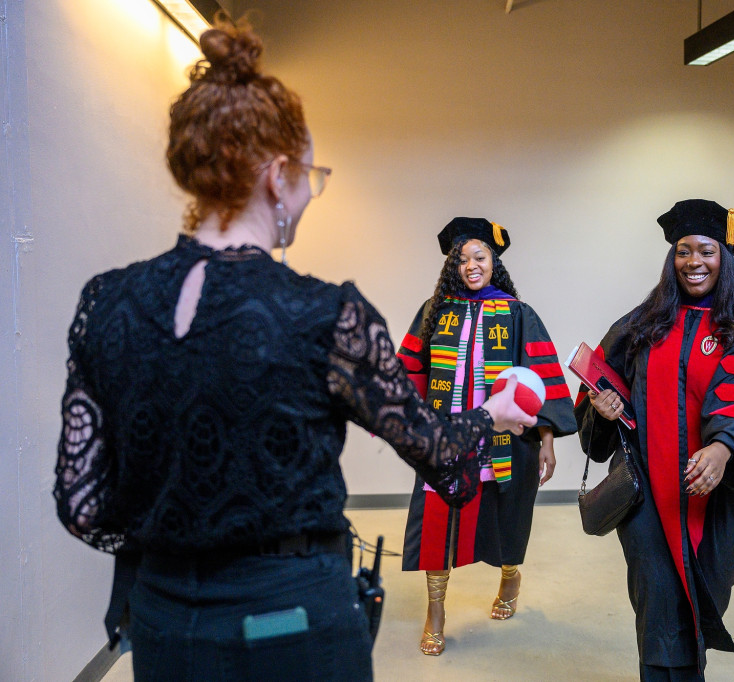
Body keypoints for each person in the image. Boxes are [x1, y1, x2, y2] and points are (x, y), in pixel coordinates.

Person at [51, 20, 535, 682]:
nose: (310, 189)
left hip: (162, 622)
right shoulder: (326, 313)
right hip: (294, 622)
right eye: (311, 173)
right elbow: (438, 450)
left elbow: (81, 504)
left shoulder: (106, 303)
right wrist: (497, 416)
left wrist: (176, 536)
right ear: (277, 176)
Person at [575, 199, 734, 681]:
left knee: (697, 606)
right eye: (683, 251)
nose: (694, 262)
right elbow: (602, 393)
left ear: (724, 260)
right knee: (656, 608)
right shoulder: (643, 324)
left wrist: (723, 447)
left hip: (714, 497)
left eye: (706, 251)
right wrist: (604, 411)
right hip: (648, 491)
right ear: (672, 260)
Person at [397, 217, 577, 655]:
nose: (470, 266)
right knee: (439, 520)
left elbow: (544, 379)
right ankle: (435, 611)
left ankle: (510, 574)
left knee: (507, 516)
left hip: (506, 438)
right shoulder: (433, 310)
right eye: (461, 260)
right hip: (448, 439)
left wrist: (548, 441)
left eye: (479, 257)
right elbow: (408, 372)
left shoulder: (516, 313)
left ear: (494, 261)